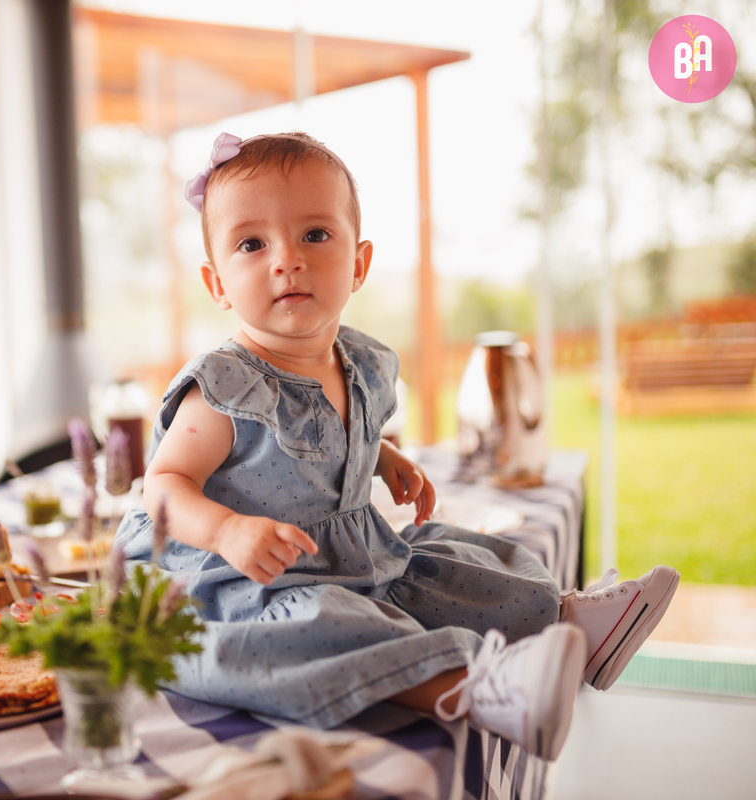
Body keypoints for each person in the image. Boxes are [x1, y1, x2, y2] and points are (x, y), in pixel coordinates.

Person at [114, 131, 679, 761]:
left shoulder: (357, 360)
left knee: (452, 564)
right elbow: (164, 487)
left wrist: (380, 455)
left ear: (358, 263)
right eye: (252, 244)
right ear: (217, 282)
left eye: (315, 235)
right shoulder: (224, 387)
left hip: (347, 552)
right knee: (320, 627)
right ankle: (474, 689)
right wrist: (226, 532)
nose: (286, 260)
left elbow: (327, 432)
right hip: (243, 580)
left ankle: (572, 622)